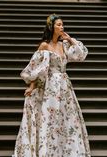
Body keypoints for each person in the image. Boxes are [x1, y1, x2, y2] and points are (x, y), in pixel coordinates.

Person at [12, 13, 91, 157]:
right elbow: (37, 67)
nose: (62, 27)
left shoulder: (64, 45)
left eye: (62, 24)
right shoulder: (45, 45)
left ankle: (66, 151)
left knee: (66, 118)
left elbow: (81, 55)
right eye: (59, 24)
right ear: (51, 27)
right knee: (50, 118)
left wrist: (70, 40)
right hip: (50, 87)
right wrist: (32, 86)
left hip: (64, 86)